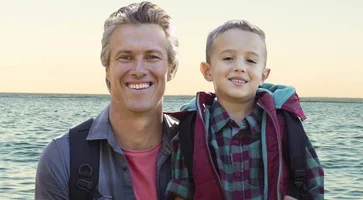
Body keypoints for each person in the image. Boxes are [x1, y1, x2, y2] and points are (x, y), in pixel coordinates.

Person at [35, 2, 180, 199]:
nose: (138, 70)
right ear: (107, 69)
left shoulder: (198, 148)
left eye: (152, 56)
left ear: (171, 69)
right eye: (125, 57)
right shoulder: (62, 158)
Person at [166, 20, 324, 200]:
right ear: (207, 71)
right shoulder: (190, 130)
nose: (240, 67)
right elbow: (180, 191)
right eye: (228, 58)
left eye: (251, 60)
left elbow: (314, 185)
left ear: (264, 75)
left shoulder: (286, 126)